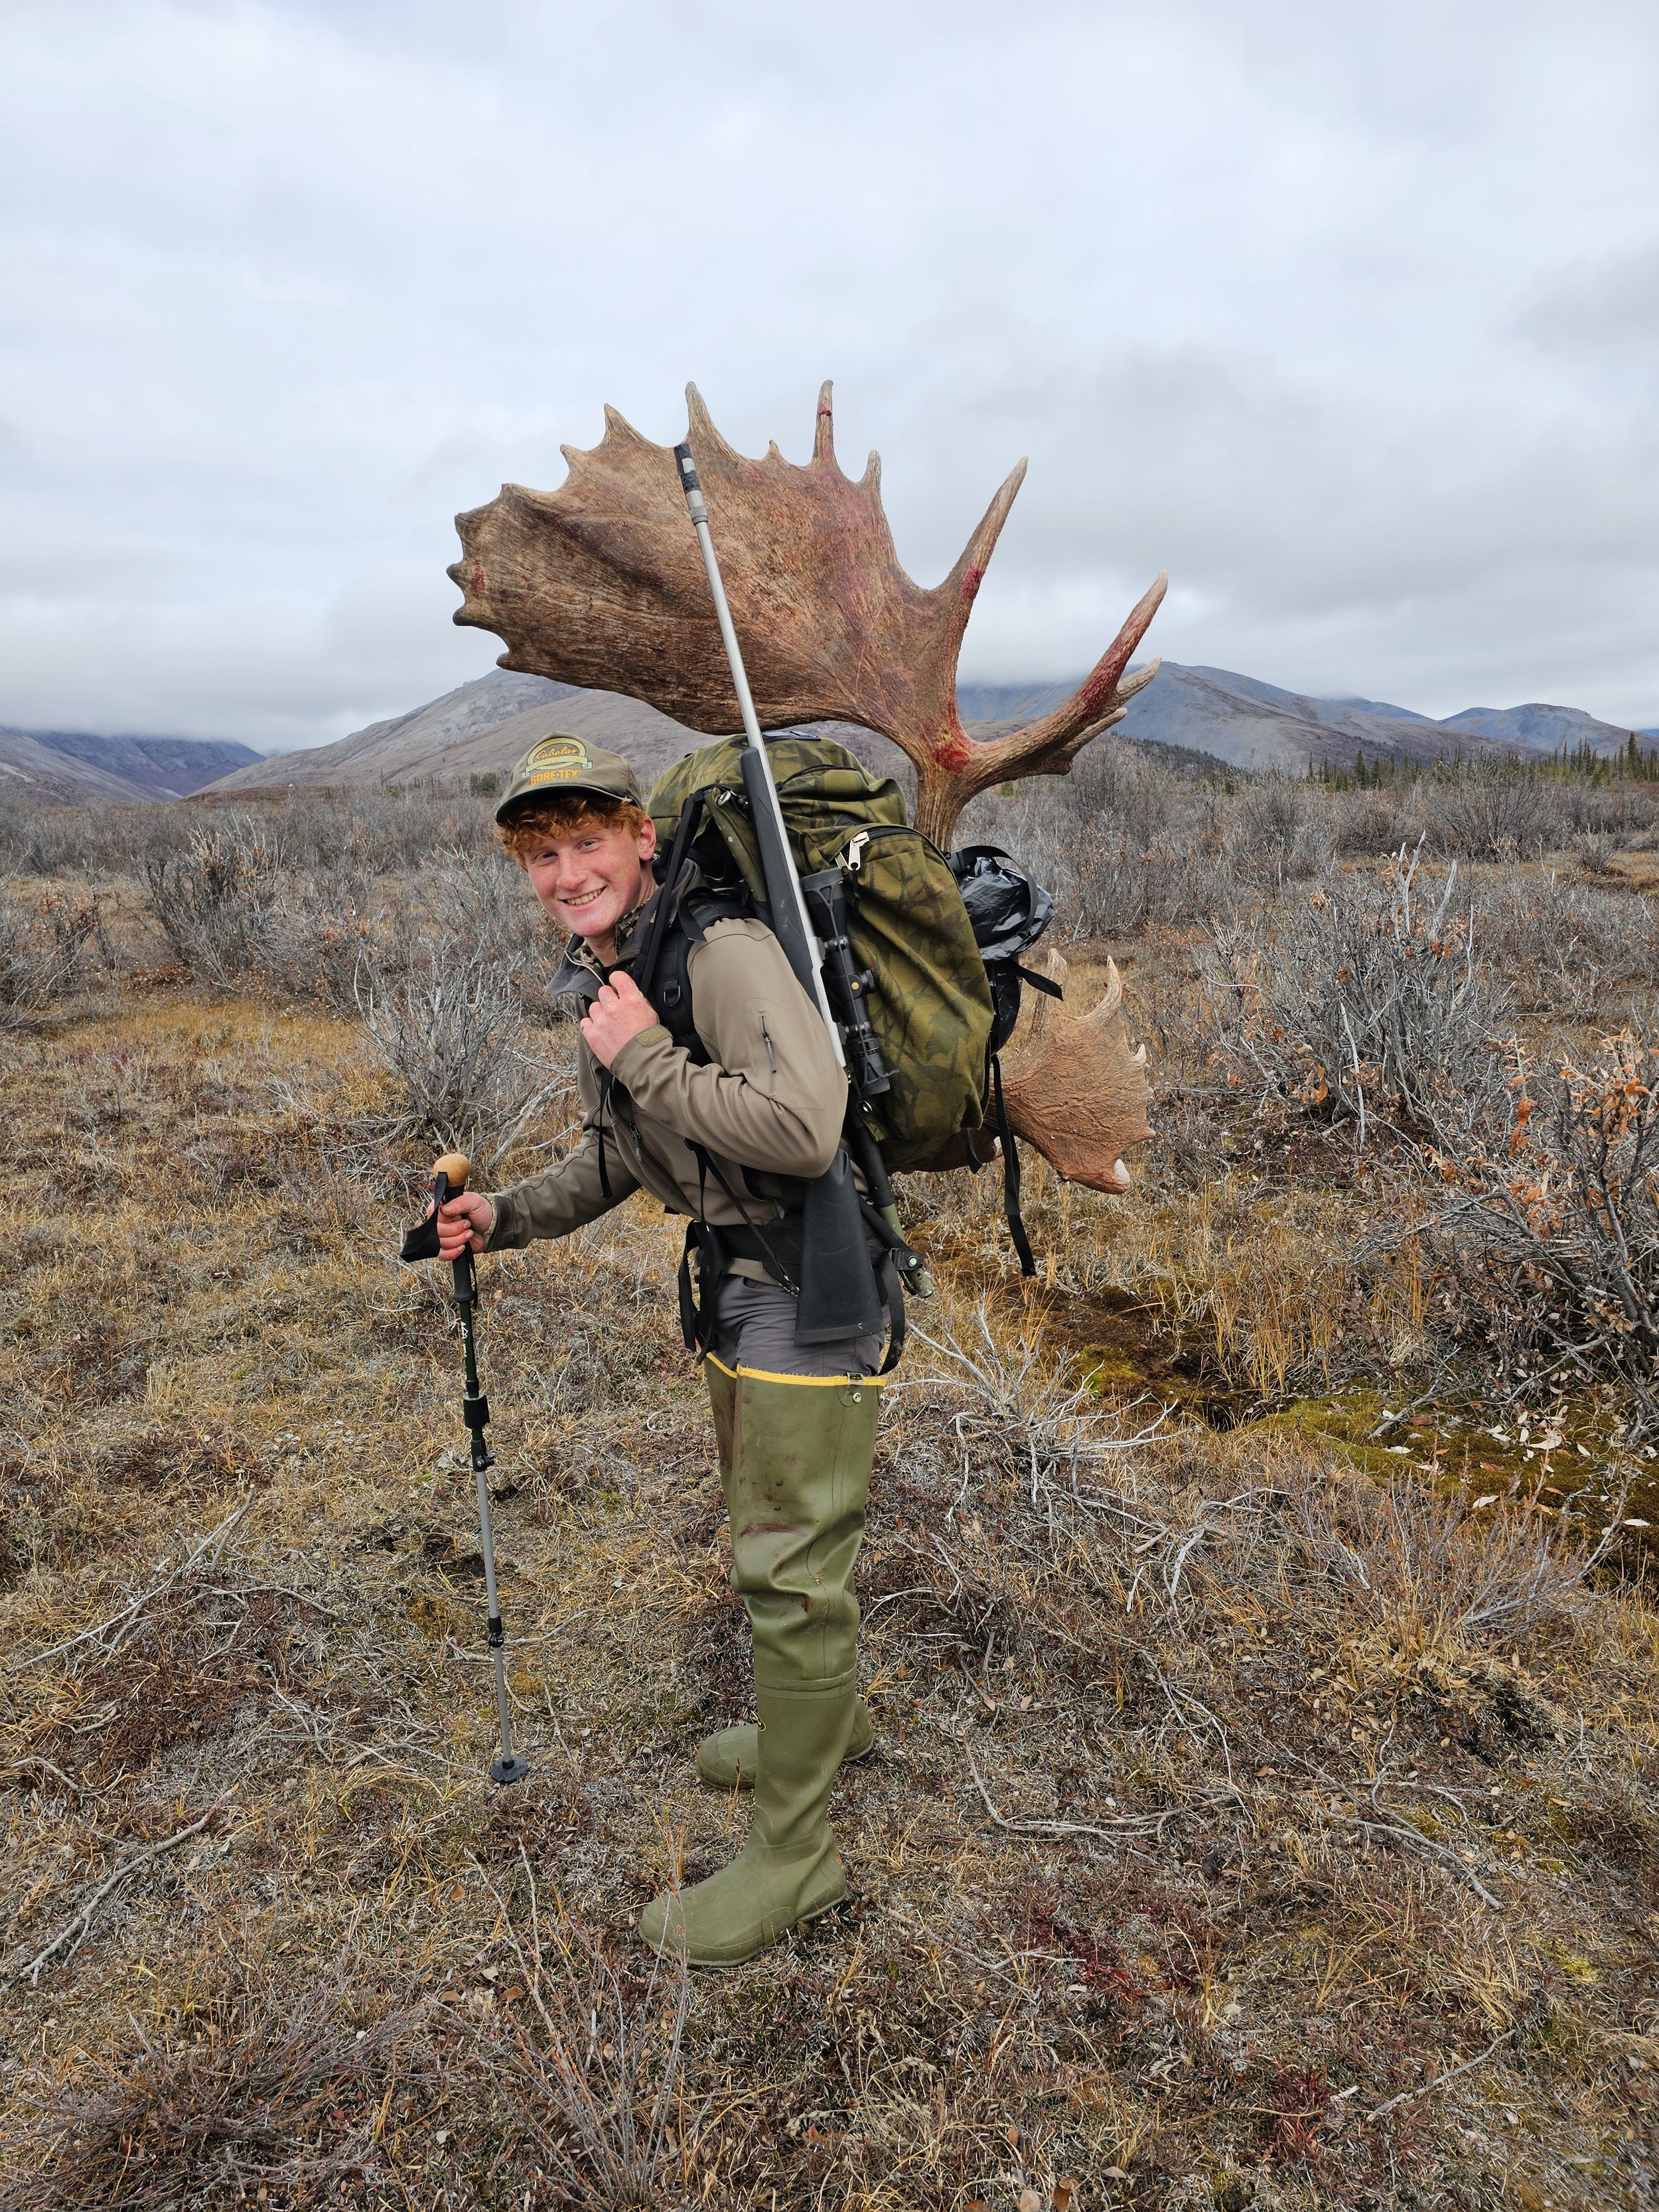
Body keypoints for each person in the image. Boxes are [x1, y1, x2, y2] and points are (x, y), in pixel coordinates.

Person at [434, 730, 885, 1966]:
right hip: (738, 1286)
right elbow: (631, 1152)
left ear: (642, 835)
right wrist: (506, 1215)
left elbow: (802, 1125)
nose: (564, 871)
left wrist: (641, 1051)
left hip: (814, 1281)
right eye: (541, 852)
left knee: (789, 1566)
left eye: (586, 841)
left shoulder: (720, 954)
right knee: (771, 1546)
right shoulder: (622, 965)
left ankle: (800, 1854)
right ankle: (822, 1725)